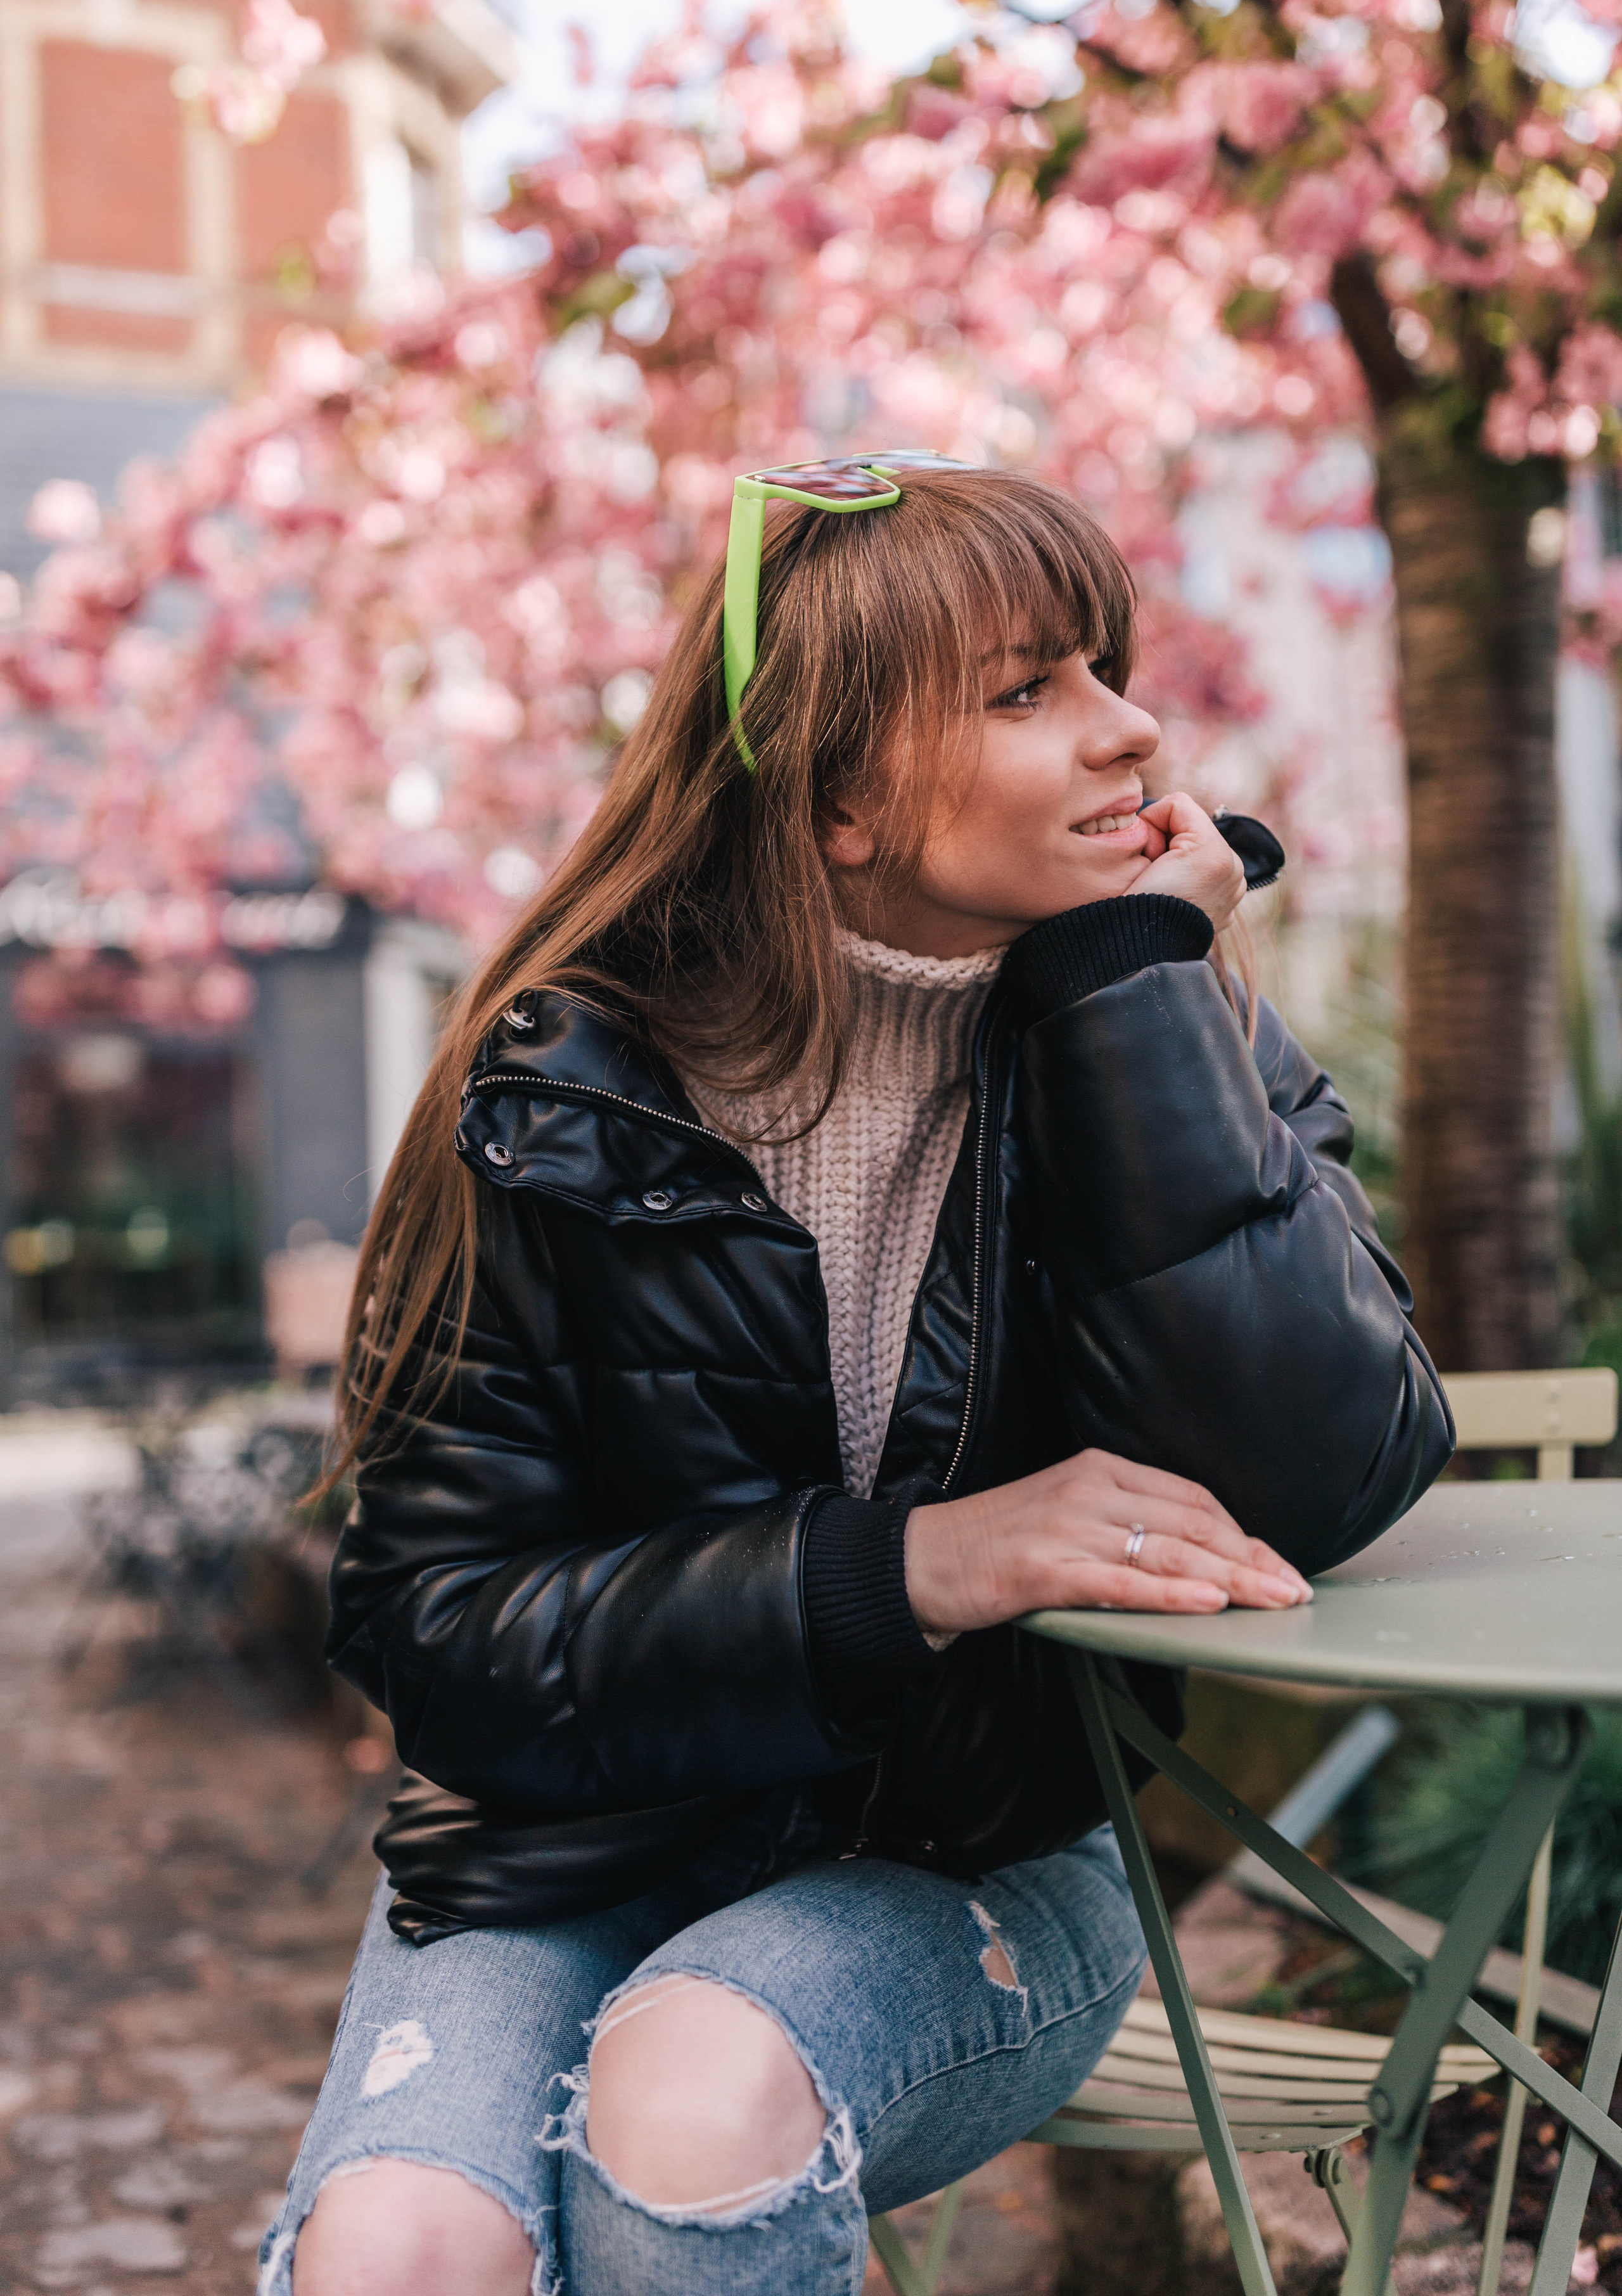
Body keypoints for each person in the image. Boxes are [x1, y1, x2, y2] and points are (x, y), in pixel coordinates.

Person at [264, 461, 1451, 2296]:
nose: (1132, 730)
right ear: (837, 801)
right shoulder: (563, 1097)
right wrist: (913, 1564)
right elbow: (440, 1636)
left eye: (1108, 670)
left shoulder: (1165, 1021)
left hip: (978, 1853)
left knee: (697, 2093)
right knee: (401, 2249)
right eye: (1028, 687)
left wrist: (1137, 995)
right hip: (579, 1855)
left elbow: (1327, 1469)